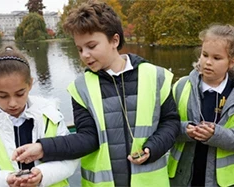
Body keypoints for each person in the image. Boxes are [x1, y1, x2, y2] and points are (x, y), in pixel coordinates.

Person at [11, 1, 180, 187]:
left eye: (91, 46)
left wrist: (152, 148)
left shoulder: (156, 76)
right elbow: (88, 138)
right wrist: (44, 148)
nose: (84, 55)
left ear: (114, 40)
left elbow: (170, 122)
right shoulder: (80, 87)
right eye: (80, 49)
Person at [0, 45, 79, 187]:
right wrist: (6, 180)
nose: (13, 103)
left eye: (20, 94)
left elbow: (69, 160)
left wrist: (42, 174)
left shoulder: (51, 117)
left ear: (30, 84)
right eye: (3, 96)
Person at [168, 24, 234, 187]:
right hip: (182, 178)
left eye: (217, 58)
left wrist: (216, 135)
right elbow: (166, 125)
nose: (208, 62)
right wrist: (185, 129)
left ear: (231, 62)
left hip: (224, 183)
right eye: (205, 55)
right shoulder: (181, 86)